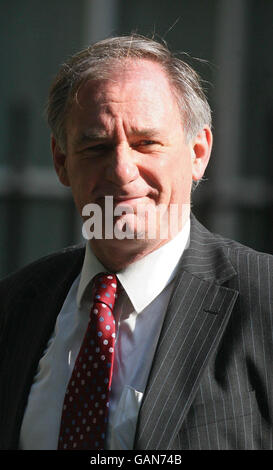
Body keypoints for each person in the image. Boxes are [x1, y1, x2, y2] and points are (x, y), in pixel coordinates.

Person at [0, 34, 272, 451]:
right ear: (61, 162)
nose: (122, 170)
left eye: (147, 143)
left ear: (198, 152)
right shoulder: (15, 306)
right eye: (96, 146)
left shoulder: (265, 301)